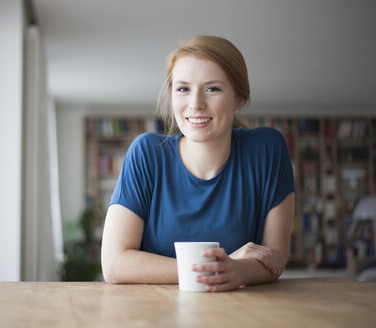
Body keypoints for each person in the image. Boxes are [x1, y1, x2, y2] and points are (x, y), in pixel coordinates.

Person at [101, 35, 295, 292]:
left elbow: (274, 257)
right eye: (183, 89)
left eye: (212, 88)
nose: (196, 104)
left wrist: (235, 269)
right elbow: (114, 265)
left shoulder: (267, 150)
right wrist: (218, 266)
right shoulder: (146, 154)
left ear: (239, 98)